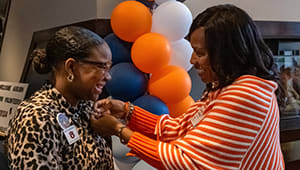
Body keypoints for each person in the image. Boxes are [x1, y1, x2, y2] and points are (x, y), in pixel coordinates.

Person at [91, 4, 285, 170]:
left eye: (200, 53)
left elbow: (186, 162)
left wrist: (119, 130)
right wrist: (127, 111)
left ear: (228, 53)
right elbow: (178, 128)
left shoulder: (245, 94)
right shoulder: (221, 89)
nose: (193, 60)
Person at [7, 26, 114, 169]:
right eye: (102, 67)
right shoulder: (37, 117)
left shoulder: (85, 107)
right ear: (71, 67)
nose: (108, 77)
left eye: (109, 68)